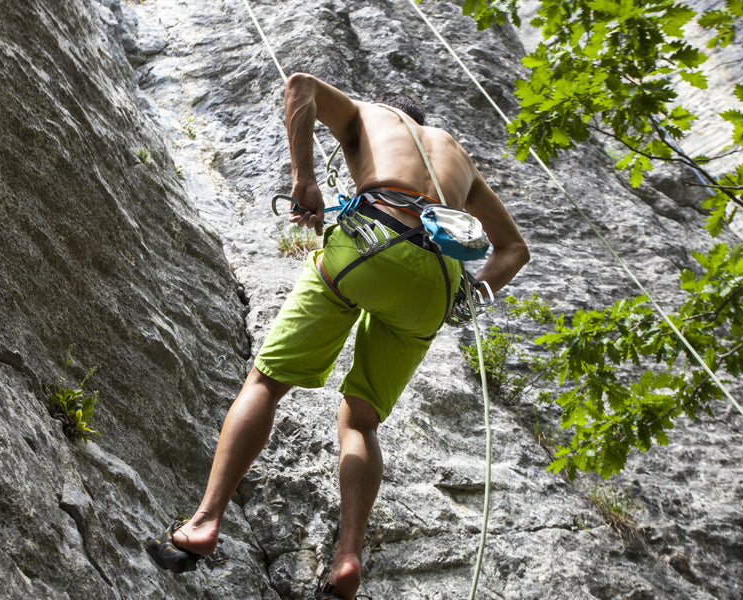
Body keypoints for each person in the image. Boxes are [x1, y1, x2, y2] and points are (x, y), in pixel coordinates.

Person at [146, 72, 529, 599]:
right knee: (361, 419)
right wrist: (469, 299)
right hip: (438, 286)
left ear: (388, 112)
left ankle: (204, 522)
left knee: (266, 381)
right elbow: (513, 250)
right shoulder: (456, 155)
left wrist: (305, 178)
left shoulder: (370, 115)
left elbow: (300, 85)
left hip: (373, 240)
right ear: (426, 123)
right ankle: (348, 558)